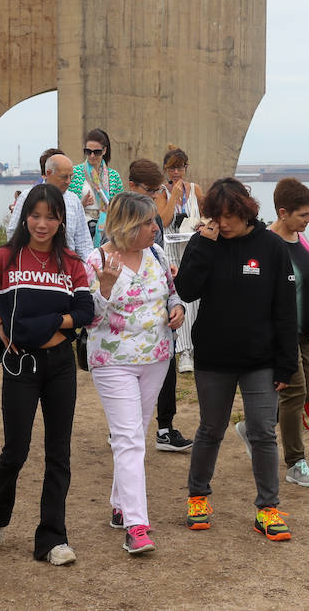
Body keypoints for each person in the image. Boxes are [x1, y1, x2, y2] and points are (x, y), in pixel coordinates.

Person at [0, 183, 94, 565]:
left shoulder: (71, 262)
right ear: (25, 217)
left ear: (62, 221)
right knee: (17, 447)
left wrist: (51, 322)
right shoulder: (5, 257)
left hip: (60, 364)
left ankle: (53, 538)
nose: (43, 224)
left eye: (51, 217)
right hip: (20, 365)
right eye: (36, 216)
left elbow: (86, 310)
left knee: (59, 452)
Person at [175, 178, 296, 542]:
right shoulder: (206, 243)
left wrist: (286, 363)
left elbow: (286, 310)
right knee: (211, 429)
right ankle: (198, 497)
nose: (223, 223)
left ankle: (267, 508)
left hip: (261, 360)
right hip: (214, 357)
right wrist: (203, 245)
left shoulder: (272, 247)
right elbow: (186, 289)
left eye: (228, 216)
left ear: (246, 210)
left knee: (262, 431)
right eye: (216, 216)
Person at [84, 191, 186, 554]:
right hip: (113, 361)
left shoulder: (156, 254)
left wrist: (177, 309)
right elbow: (89, 317)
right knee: (128, 438)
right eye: (146, 223)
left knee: (134, 436)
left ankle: (119, 506)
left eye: (154, 222)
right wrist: (106, 289)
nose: (154, 229)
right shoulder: (96, 260)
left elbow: (171, 292)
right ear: (127, 224)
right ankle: (136, 525)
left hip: (156, 356)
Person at [124, 158, 193, 453]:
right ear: (132, 187)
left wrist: (168, 283)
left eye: (156, 189)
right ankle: (123, 429)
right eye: (149, 189)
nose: (154, 194)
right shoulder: (120, 215)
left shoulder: (153, 212)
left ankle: (165, 427)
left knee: (166, 365)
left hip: (159, 299)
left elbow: (160, 243)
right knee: (132, 374)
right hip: (129, 315)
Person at [267, 178, 309, 488]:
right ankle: (296, 463)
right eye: (303, 214)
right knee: (293, 395)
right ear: (283, 212)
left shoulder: (298, 238)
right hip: (280, 334)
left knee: (305, 393)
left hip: (304, 331)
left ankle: (255, 426)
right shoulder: (268, 244)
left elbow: (308, 280)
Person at [161, 145, 204, 373]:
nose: (176, 173)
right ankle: (184, 351)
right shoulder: (162, 192)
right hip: (172, 251)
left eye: (179, 168)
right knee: (181, 299)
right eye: (171, 168)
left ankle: (196, 347)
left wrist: (200, 223)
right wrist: (174, 197)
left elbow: (207, 215)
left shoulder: (195, 190)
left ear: (186, 168)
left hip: (191, 249)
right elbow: (163, 221)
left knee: (196, 300)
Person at [5, 149, 94, 259]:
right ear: (48, 173)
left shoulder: (74, 200)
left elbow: (83, 242)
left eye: (71, 176)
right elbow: (13, 233)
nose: (68, 181)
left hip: (66, 268)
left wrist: (87, 270)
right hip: (32, 266)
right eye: (63, 177)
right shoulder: (26, 197)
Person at [68, 128, 122, 243]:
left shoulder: (113, 176)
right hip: (82, 227)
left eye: (96, 152)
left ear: (104, 151)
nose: (92, 155)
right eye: (88, 151)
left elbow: (120, 206)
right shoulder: (74, 173)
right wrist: (81, 204)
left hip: (108, 228)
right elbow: (67, 206)